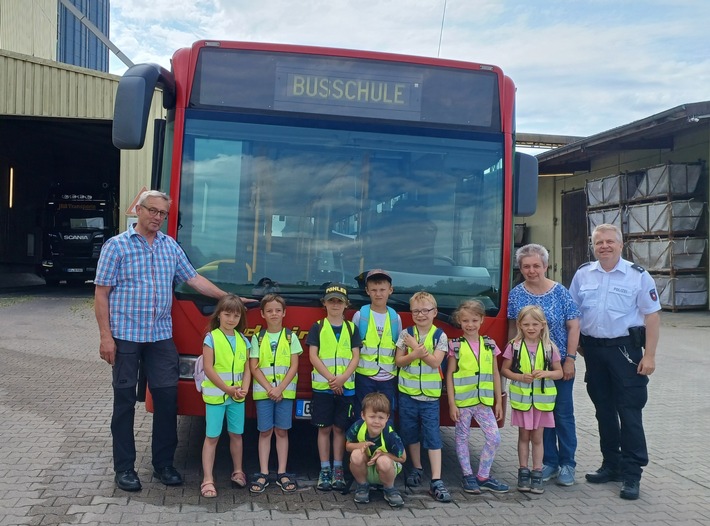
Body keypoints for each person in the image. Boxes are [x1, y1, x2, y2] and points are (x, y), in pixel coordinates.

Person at [94, 190, 227, 492]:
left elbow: (194, 279)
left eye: (162, 213)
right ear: (138, 210)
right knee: (125, 401)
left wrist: (228, 298)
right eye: (152, 210)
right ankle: (125, 468)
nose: (156, 217)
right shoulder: (116, 247)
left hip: (160, 337)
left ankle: (164, 465)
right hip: (125, 337)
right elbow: (101, 293)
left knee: (168, 400)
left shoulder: (170, 247)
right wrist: (105, 337)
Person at [569, 223, 660, 501]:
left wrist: (650, 355)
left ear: (621, 245)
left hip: (626, 353)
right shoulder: (583, 274)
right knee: (604, 411)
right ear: (593, 246)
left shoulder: (637, 276)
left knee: (629, 413)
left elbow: (652, 316)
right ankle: (611, 464)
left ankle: (632, 474)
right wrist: (579, 347)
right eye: (599, 242)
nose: (605, 246)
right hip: (594, 352)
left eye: (610, 241)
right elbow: (573, 315)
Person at [507, 244, 581, 486]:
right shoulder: (516, 294)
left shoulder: (560, 292)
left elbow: (574, 326)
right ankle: (548, 462)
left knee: (562, 414)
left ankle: (567, 463)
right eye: (526, 266)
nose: (531, 270)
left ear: (545, 266)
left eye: (536, 265)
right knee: (541, 416)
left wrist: (570, 359)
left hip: (557, 367)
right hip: (528, 370)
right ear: (520, 268)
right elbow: (511, 328)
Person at [445, 300, 509, 495]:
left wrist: (498, 401)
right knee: (462, 438)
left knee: (494, 438)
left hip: (483, 403)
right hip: (463, 403)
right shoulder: (455, 345)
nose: (470, 324)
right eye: (465, 320)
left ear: (482, 320)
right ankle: (467, 476)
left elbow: (496, 373)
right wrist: (451, 404)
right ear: (459, 321)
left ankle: (483, 475)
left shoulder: (490, 344)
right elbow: (449, 375)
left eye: (474, 320)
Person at [394, 291, 452, 503]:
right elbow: (399, 362)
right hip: (407, 394)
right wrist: (413, 353)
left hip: (429, 398)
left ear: (434, 312)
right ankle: (417, 468)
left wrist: (417, 350)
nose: (420, 314)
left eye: (425, 310)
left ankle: (436, 479)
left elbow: (436, 362)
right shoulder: (405, 333)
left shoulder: (440, 336)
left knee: (432, 435)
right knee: (410, 433)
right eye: (416, 311)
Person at [501, 306, 563, 494]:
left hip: (542, 402)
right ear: (519, 325)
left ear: (543, 325)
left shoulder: (550, 347)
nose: (531, 328)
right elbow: (504, 370)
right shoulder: (514, 346)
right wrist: (519, 377)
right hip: (522, 402)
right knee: (524, 436)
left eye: (535, 324)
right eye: (526, 324)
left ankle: (537, 472)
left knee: (538, 438)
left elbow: (559, 373)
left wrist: (547, 373)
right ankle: (523, 472)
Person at [306, 283, 361, 491]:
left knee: (339, 429)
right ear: (324, 304)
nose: (335, 305)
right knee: (324, 429)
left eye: (339, 301)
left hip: (346, 388)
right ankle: (325, 469)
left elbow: (356, 357)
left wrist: (343, 379)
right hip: (323, 388)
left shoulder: (351, 328)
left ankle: (338, 468)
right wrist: (332, 379)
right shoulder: (318, 327)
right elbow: (313, 355)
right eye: (331, 301)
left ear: (346, 305)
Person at [249, 294, 302, 494]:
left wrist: (280, 388)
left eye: (278, 310)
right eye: (269, 311)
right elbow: (254, 367)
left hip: (284, 393)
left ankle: (281, 472)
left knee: (281, 431)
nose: (274, 314)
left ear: (284, 313)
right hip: (264, 394)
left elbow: (294, 365)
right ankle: (263, 472)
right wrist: (270, 389)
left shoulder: (291, 337)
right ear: (262, 314)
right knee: (265, 432)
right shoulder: (257, 337)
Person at [199, 294, 251, 498]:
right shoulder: (211, 338)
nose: (231, 319)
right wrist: (228, 389)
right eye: (227, 314)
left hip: (237, 397)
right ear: (219, 315)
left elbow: (247, 369)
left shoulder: (243, 340)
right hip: (216, 397)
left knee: (236, 435)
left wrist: (244, 388)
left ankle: (238, 471)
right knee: (212, 437)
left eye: (236, 315)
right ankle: (207, 479)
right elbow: (208, 369)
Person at [352, 269, 402, 423]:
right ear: (367, 291)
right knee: (362, 414)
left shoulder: (395, 318)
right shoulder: (361, 316)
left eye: (382, 290)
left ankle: (385, 446)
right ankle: (362, 445)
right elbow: (353, 347)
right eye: (374, 290)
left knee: (387, 415)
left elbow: (398, 345)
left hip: (388, 377)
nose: (378, 294)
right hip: (364, 377)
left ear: (390, 290)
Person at [346, 392, 406, 507]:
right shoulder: (358, 426)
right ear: (363, 415)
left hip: (386, 468)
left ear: (387, 417)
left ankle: (389, 489)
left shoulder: (390, 434)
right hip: (366, 468)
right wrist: (360, 445)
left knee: (383, 460)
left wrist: (384, 454)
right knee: (356, 455)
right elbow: (347, 446)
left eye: (381, 417)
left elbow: (403, 458)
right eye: (372, 416)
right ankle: (362, 486)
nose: (376, 421)